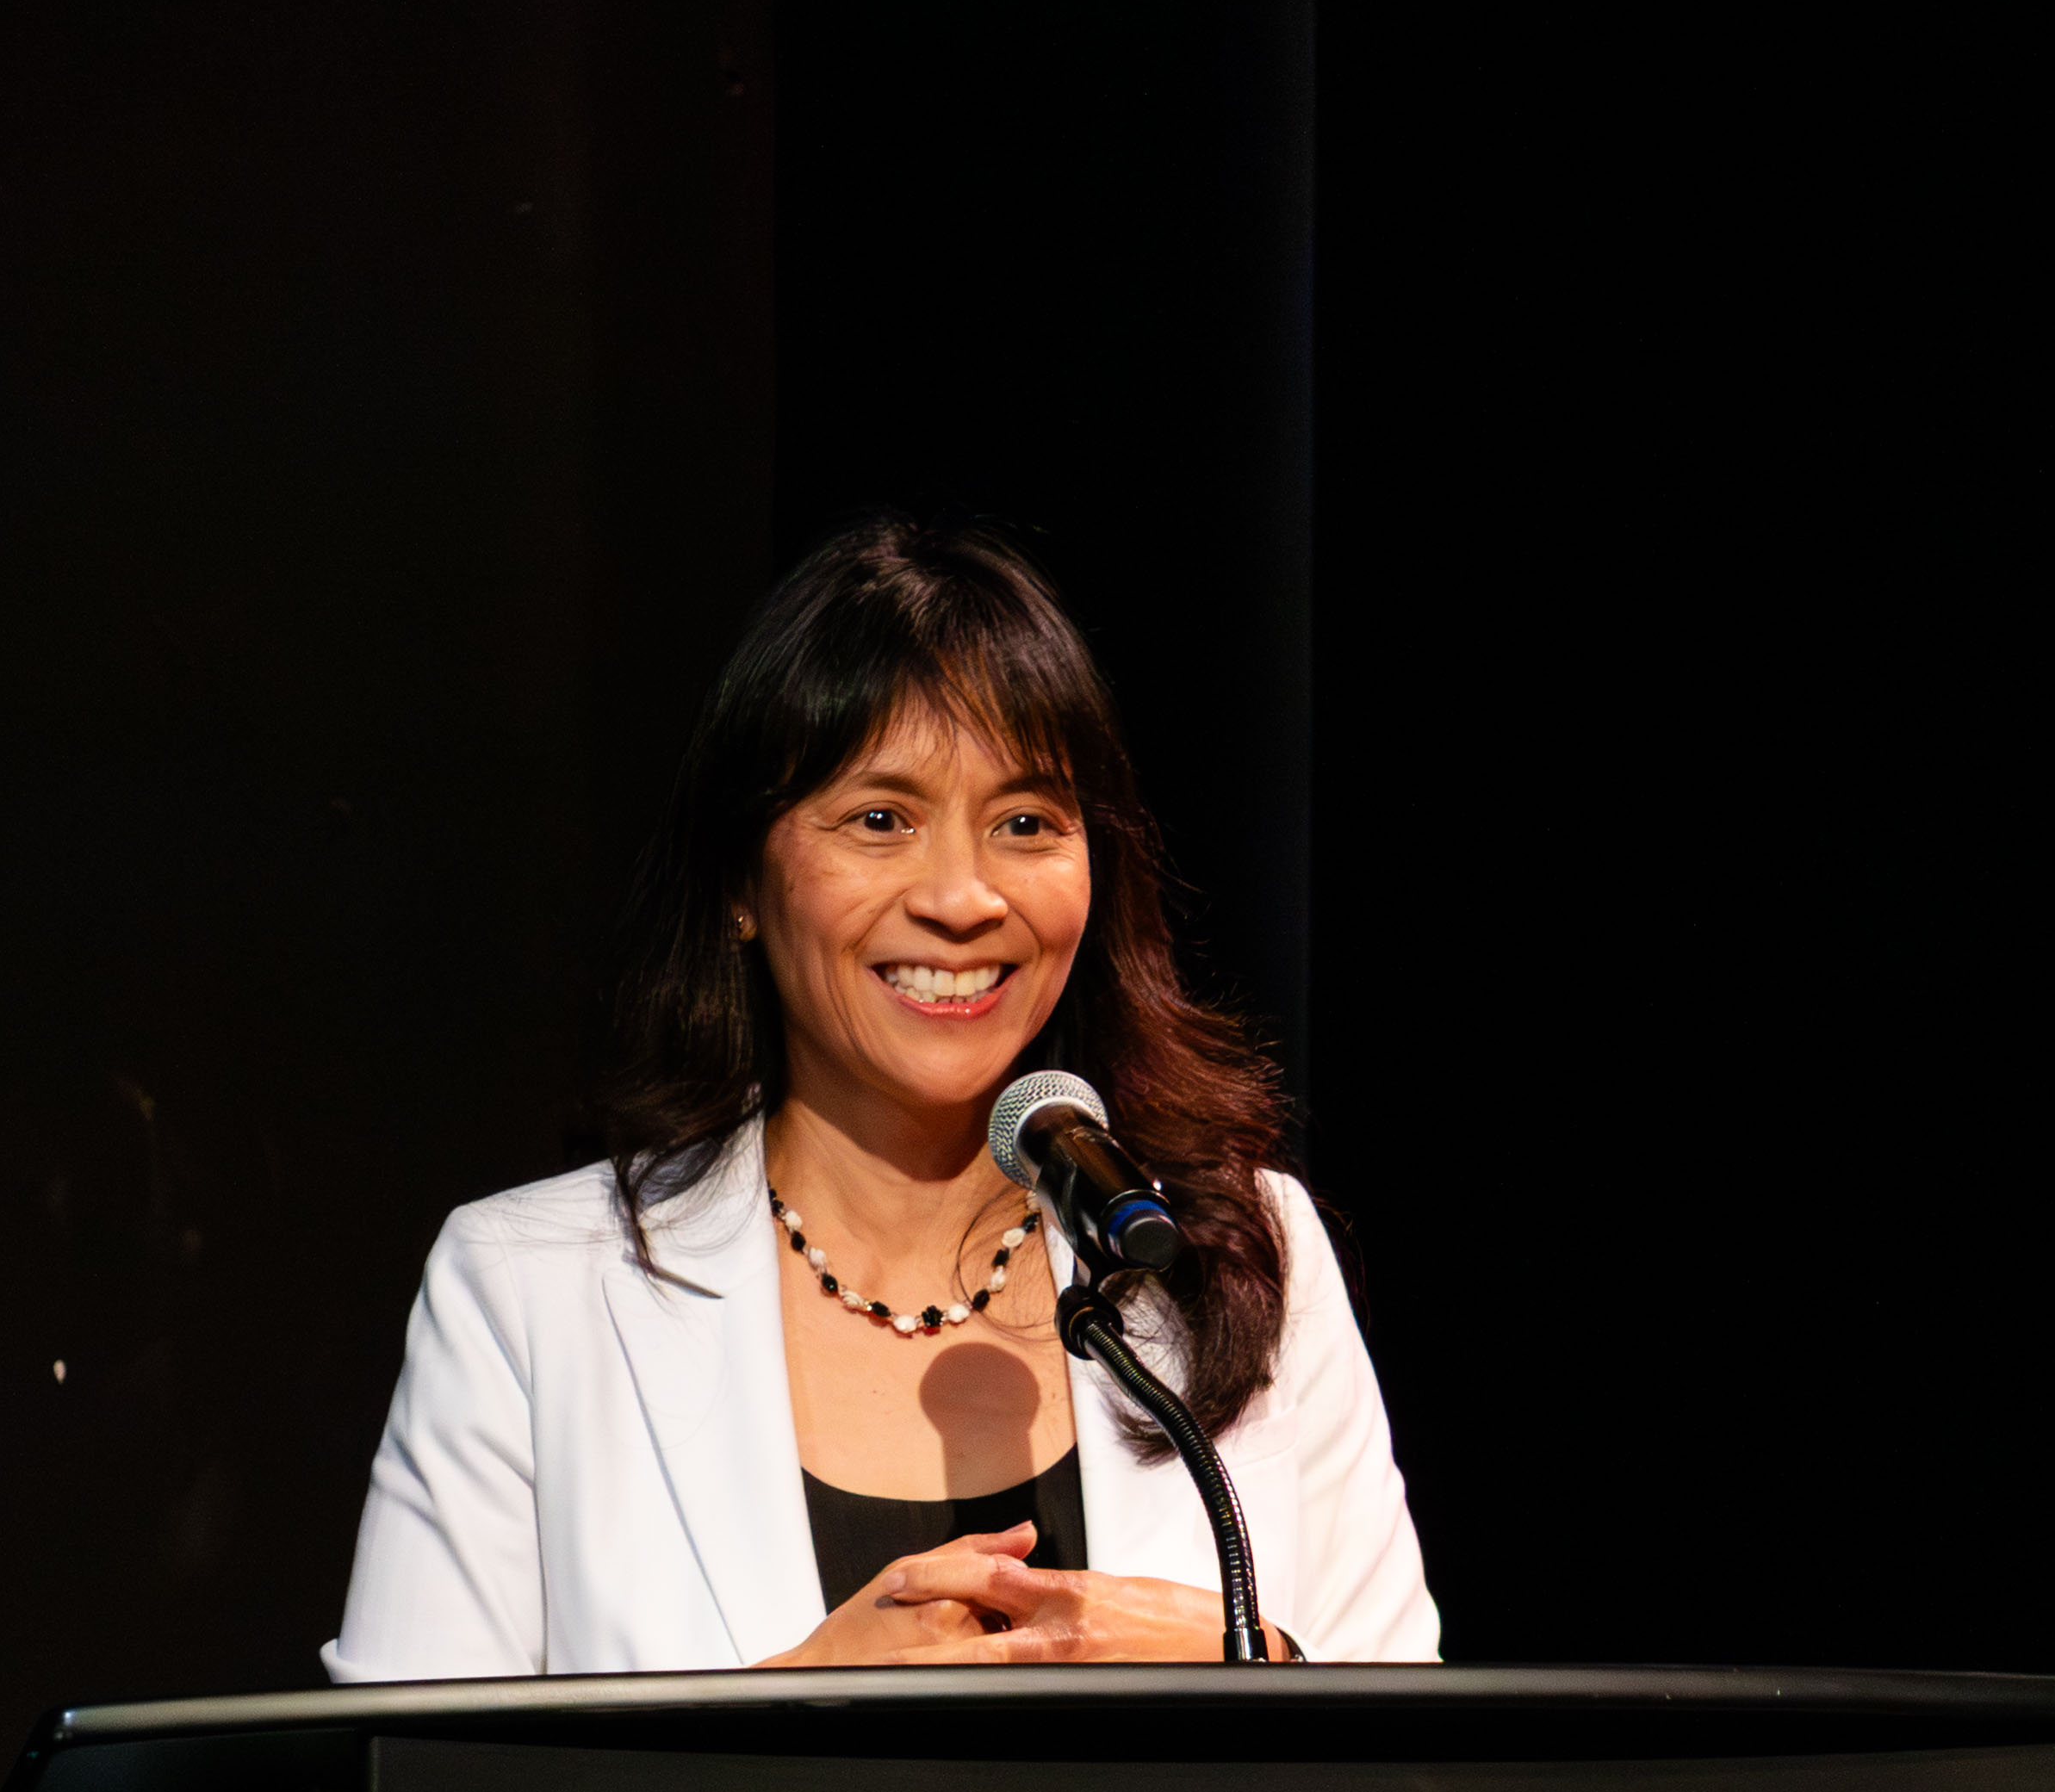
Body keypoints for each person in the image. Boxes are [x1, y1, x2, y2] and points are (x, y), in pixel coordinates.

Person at [325, 521, 1437, 1679]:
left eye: (1025, 824)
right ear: (741, 886)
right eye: (879, 821)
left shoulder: (1237, 1249)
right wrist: (786, 1714)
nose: (961, 898)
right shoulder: (531, 1290)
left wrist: (1251, 1666)